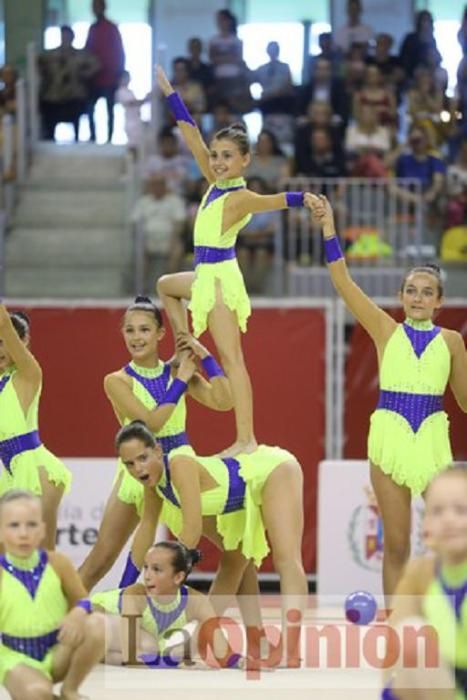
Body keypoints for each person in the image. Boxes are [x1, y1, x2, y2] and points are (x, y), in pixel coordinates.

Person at [305, 193, 467, 601]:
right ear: (401, 295)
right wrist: (328, 227)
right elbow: (342, 281)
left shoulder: (451, 342)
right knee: (396, 546)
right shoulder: (384, 329)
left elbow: (464, 402)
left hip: (432, 439)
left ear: (440, 301)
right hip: (390, 436)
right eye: (411, 290)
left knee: (450, 544)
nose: (417, 297)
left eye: (426, 292)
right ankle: (399, 634)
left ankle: (450, 626)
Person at [155, 65, 309, 457]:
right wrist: (171, 93)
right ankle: (183, 344)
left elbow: (273, 201)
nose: (218, 161)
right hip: (205, 274)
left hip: (220, 280)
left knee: (233, 360)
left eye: (227, 157)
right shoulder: (214, 182)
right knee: (165, 287)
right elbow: (190, 133)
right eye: (216, 155)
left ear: (245, 161)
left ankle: (246, 438)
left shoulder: (238, 195)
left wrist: (305, 199)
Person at [116, 420, 307, 666]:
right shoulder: (153, 484)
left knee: (286, 559)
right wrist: (125, 586)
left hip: (272, 471)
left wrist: (167, 579)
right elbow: (146, 530)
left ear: (158, 451)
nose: (137, 469)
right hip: (234, 500)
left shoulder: (179, 464)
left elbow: (192, 531)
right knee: (236, 559)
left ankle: (289, 652)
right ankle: (251, 640)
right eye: (129, 464)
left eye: (142, 458)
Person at [78, 296, 233, 590]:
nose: (137, 337)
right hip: (139, 473)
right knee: (101, 559)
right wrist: (182, 379)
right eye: (130, 330)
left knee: (234, 549)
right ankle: (56, 624)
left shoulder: (176, 371)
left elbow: (224, 401)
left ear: (161, 333)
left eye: (145, 330)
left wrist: (205, 357)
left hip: (182, 472)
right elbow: (151, 424)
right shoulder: (117, 381)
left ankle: (234, 627)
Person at [0, 489, 104, 700]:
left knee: (98, 623)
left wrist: (77, 613)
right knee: (37, 694)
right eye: (14, 525)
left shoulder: (58, 563)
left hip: (59, 649)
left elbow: (84, 600)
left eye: (31, 525)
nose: (23, 533)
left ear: (43, 530)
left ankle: (70, 689)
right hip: (15, 656)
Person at [381, 465, 467, 700]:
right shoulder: (419, 574)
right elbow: (393, 659)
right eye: (437, 511)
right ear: (425, 525)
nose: (449, 519)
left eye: (461, 510)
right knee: (410, 633)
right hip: (446, 687)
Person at [93, 539, 242, 668]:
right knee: (150, 647)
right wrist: (176, 664)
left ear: (178, 577)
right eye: (146, 567)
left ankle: (98, 657)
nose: (147, 576)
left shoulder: (196, 601)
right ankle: (94, 654)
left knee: (189, 645)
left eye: (156, 569)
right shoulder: (135, 594)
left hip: (116, 643)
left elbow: (221, 651)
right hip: (87, 621)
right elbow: (132, 656)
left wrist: (242, 662)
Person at [0, 306, 71, 549]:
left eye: (4, 342)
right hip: (10, 471)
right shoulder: (3, 383)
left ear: (23, 343)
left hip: (36, 471)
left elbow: (6, 327)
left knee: (42, 556)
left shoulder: (28, 375)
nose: (0, 349)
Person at [38, 25, 99, 142]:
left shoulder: (80, 55)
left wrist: (84, 74)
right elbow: (38, 64)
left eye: (68, 36)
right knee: (47, 108)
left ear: (72, 37)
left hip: (74, 95)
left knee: (77, 106)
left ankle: (77, 138)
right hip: (54, 95)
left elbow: (96, 65)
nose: (66, 38)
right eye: (63, 36)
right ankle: (50, 138)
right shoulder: (50, 55)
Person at [130, 174, 186, 291]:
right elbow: (135, 225)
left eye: (160, 184)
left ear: (165, 186)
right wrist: (142, 242)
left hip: (169, 239)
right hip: (148, 239)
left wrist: (173, 240)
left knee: (178, 250)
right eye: (154, 185)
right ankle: (140, 289)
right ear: (150, 187)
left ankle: (172, 288)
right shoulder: (143, 202)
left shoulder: (174, 201)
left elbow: (179, 223)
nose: (157, 187)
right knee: (139, 252)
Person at [85, 0, 125, 143]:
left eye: (97, 6)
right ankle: (93, 137)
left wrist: (119, 73)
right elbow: (87, 51)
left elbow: (119, 52)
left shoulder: (112, 28)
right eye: (93, 7)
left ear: (103, 8)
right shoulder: (92, 29)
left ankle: (109, 139)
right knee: (90, 108)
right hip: (93, 78)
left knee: (110, 110)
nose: (95, 9)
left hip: (109, 78)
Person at [115, 69, 149, 157]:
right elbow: (131, 103)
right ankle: (131, 164)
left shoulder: (130, 92)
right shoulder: (120, 92)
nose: (127, 80)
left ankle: (135, 163)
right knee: (132, 145)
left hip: (137, 120)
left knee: (138, 145)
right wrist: (145, 100)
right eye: (125, 78)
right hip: (130, 121)